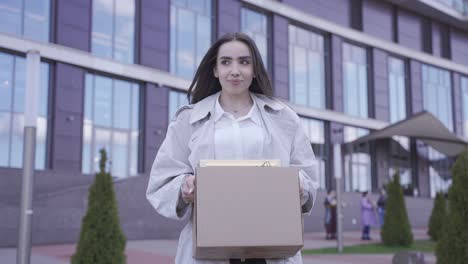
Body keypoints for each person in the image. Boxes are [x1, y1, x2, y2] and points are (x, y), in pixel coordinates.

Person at [146, 32, 319, 264]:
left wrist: (299, 186)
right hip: (209, 249)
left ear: (255, 69)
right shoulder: (188, 120)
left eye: (244, 62)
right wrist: (183, 187)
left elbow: (307, 175)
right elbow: (162, 180)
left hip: (272, 248)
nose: (235, 70)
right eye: (226, 62)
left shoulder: (284, 117)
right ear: (215, 70)